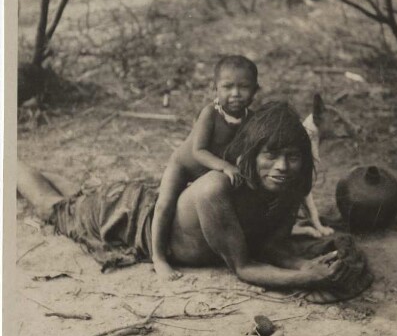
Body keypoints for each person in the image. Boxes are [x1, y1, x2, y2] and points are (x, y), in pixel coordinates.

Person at [17, 102, 372, 303]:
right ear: (250, 155)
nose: (282, 167)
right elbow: (245, 267)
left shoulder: (291, 181)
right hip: (128, 217)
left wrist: (304, 264)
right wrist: (307, 278)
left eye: (292, 156)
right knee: (54, 207)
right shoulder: (214, 189)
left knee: (77, 196)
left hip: (149, 200)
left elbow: (272, 244)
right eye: (272, 156)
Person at [152, 55, 259, 281]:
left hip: (214, 171)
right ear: (215, 88)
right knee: (164, 204)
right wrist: (225, 166)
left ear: (255, 90)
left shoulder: (252, 119)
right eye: (228, 87)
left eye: (244, 87)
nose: (236, 94)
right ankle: (159, 257)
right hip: (185, 165)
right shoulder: (210, 113)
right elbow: (198, 151)